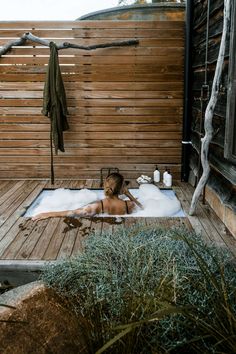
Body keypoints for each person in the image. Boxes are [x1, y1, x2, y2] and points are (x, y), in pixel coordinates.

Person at [32, 172, 143, 221]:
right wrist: (129, 195)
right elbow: (143, 208)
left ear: (105, 185)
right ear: (122, 189)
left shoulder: (98, 206)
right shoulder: (129, 205)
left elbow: (73, 212)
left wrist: (47, 214)